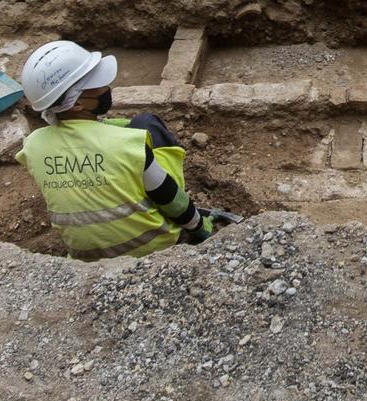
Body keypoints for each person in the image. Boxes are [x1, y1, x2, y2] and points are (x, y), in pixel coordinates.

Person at [15, 40, 220, 260]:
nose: (106, 88)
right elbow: (170, 198)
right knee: (148, 125)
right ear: (76, 104)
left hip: (84, 257)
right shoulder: (129, 143)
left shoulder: (32, 146)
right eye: (98, 84)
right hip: (154, 247)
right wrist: (200, 227)